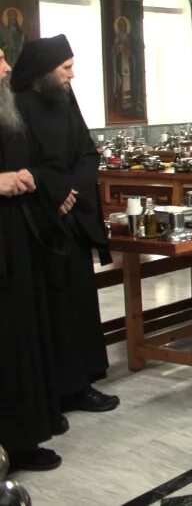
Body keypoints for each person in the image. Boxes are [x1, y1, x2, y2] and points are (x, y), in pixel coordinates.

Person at [12, 35, 120, 415]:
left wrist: (71, 188)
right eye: (66, 68)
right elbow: (23, 164)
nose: (71, 76)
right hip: (41, 222)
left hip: (72, 217)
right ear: (44, 71)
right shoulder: (16, 107)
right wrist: (56, 190)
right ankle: (59, 386)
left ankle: (82, 380)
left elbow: (87, 151)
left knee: (79, 302)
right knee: (52, 308)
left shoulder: (65, 100)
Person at [0, 46, 64, 473]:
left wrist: (27, 177)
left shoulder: (9, 111)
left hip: (14, 240)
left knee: (19, 337)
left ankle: (20, 440)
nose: (7, 67)